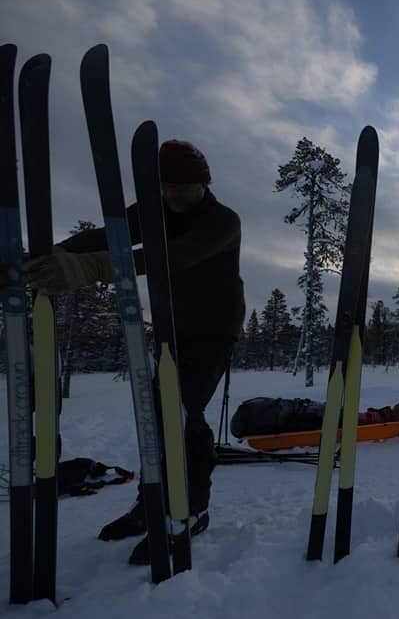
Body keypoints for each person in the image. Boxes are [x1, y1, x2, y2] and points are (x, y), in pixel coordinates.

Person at [24, 140, 245, 565]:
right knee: (158, 416)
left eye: (185, 186)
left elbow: (175, 256)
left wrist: (94, 268)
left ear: (204, 183)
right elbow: (107, 236)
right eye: (167, 186)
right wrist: (49, 256)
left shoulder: (222, 220)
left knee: (183, 412)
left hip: (214, 329)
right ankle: (150, 506)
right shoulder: (155, 211)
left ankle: (192, 509)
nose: (175, 194)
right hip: (170, 324)